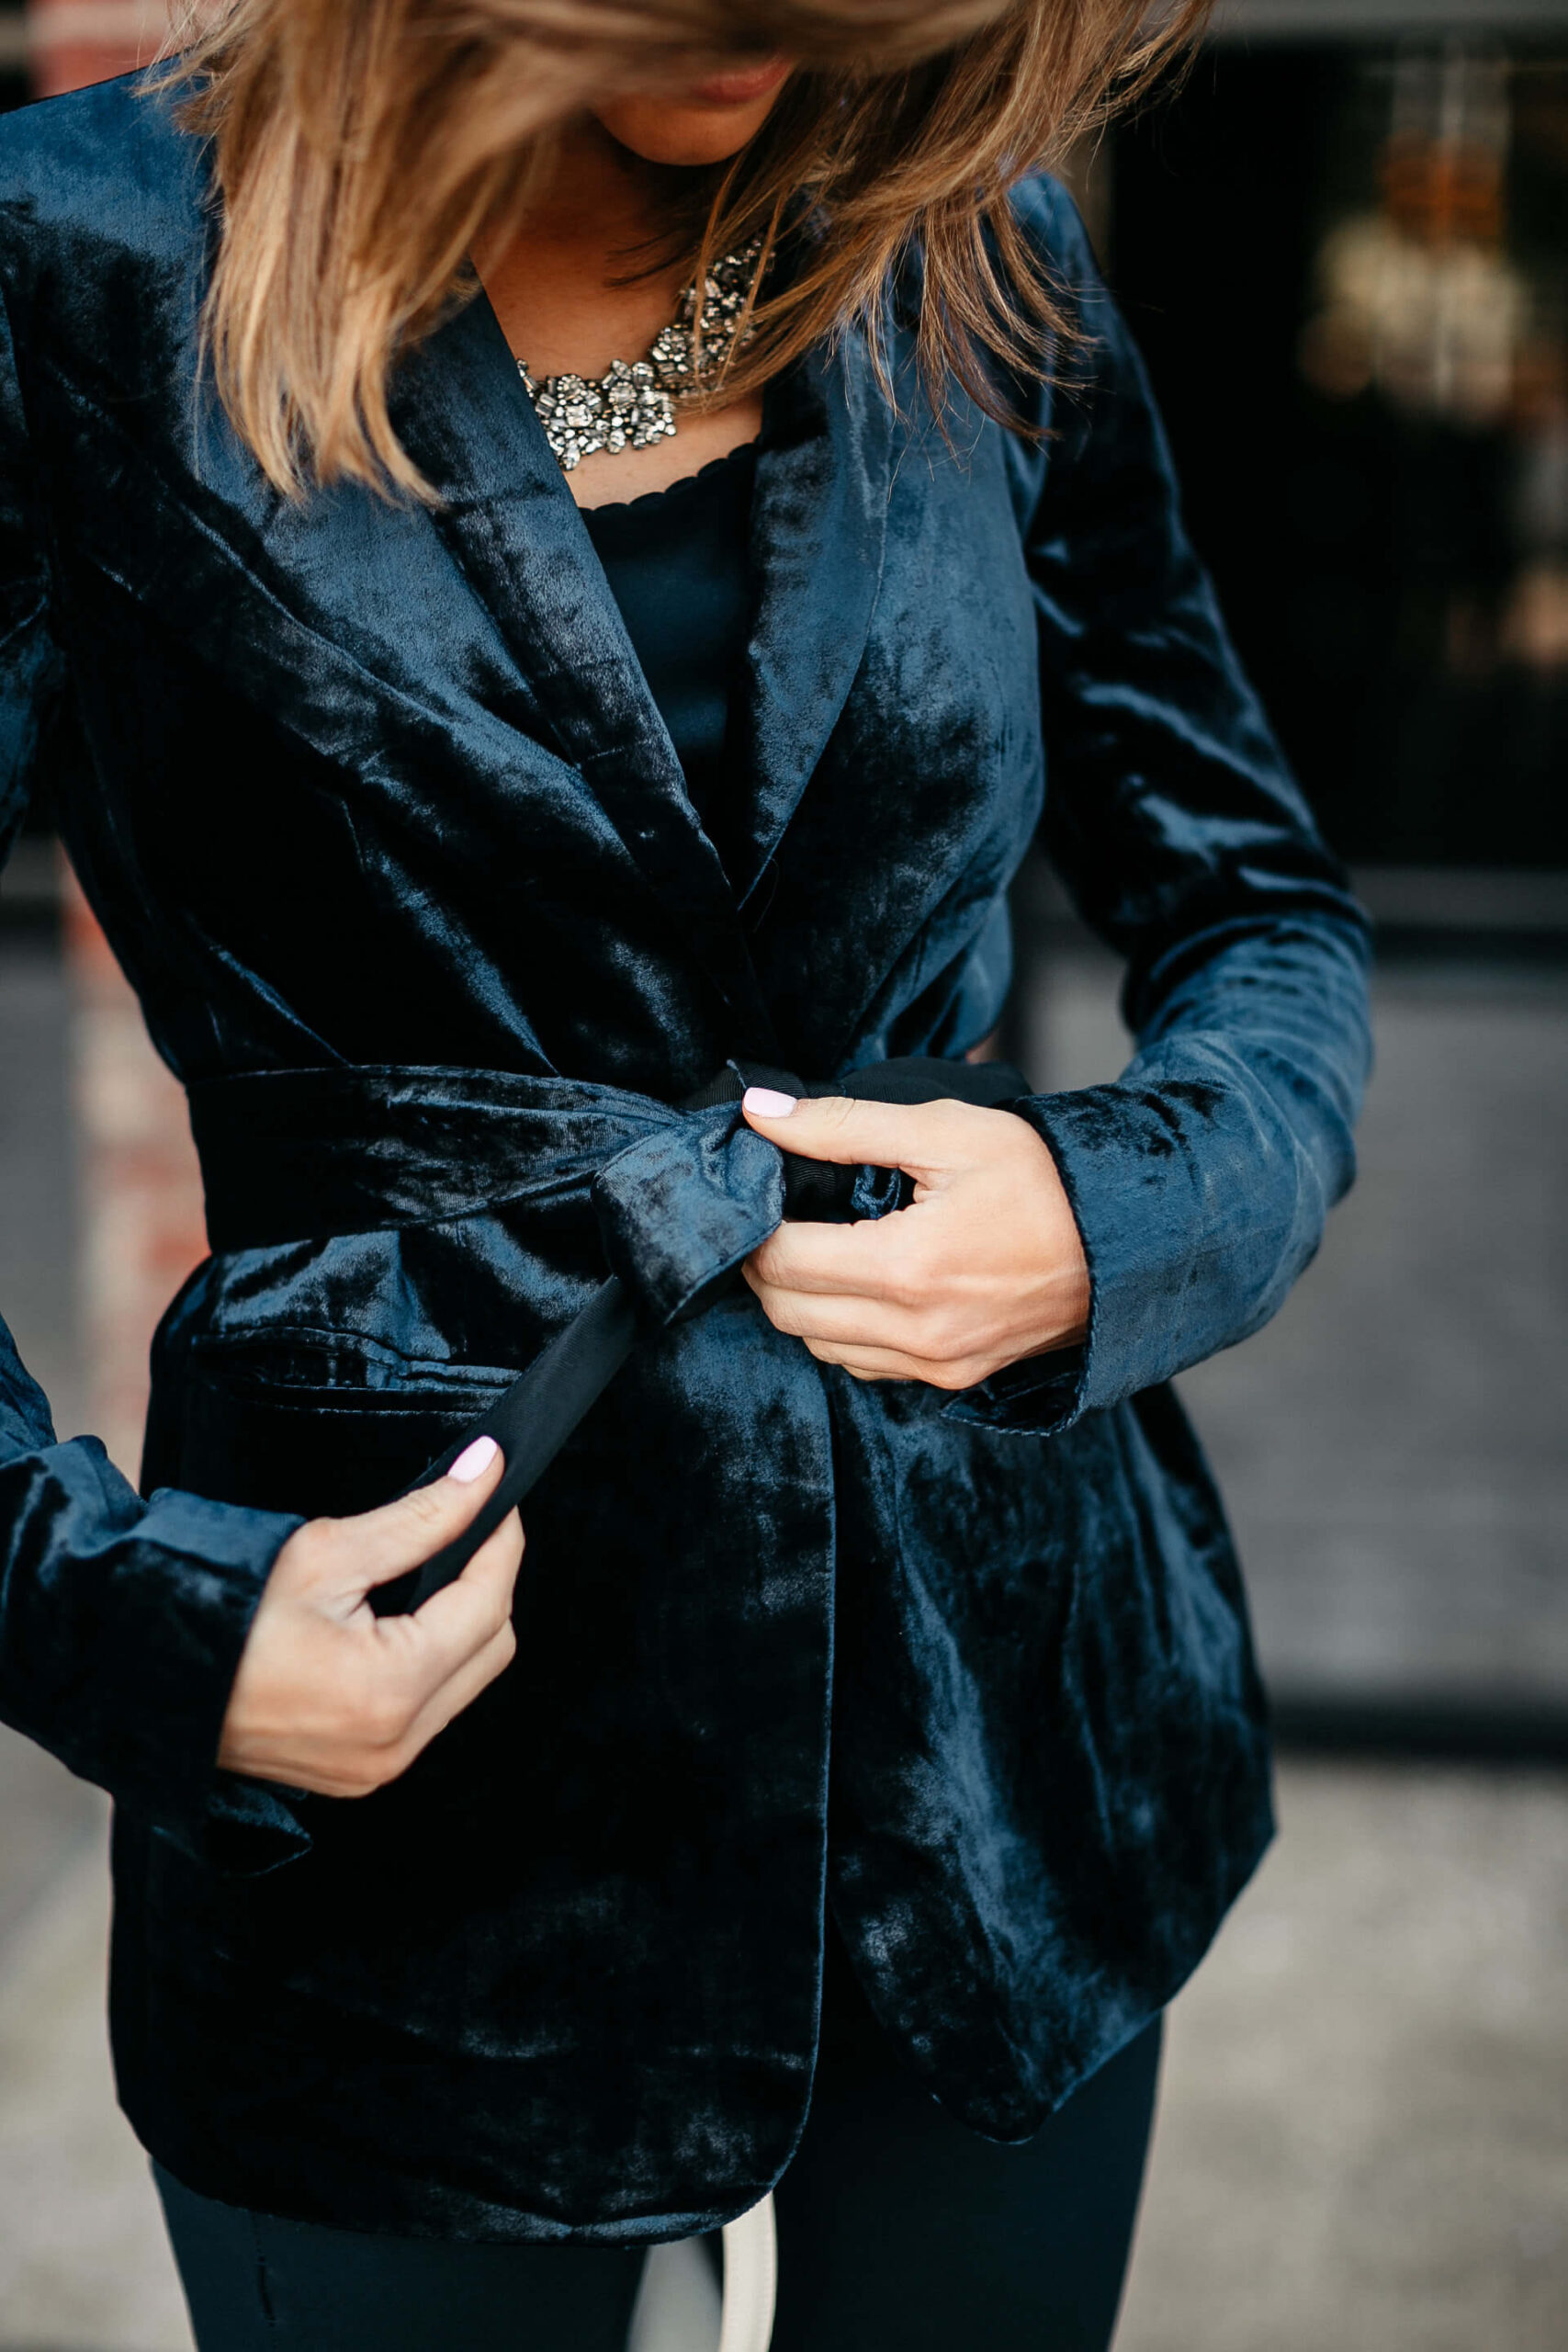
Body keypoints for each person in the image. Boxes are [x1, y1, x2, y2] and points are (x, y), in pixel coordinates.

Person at [0, 1, 1372, 2345]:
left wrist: (1117, 1209)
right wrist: (132, 1613)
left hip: (999, 1756)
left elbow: (1254, 904)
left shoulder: (964, 238)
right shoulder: (82, 267)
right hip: (408, 1810)